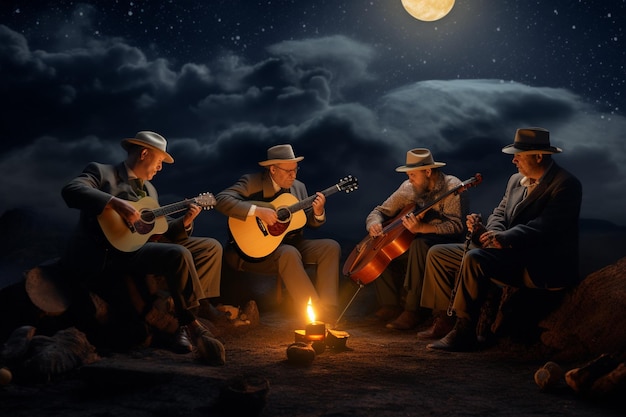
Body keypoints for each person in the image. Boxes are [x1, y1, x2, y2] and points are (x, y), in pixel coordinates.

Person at [60, 131, 226, 365]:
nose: (160, 168)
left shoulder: (150, 191)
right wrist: (115, 203)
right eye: (159, 161)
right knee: (178, 254)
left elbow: (159, 228)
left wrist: (186, 220)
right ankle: (188, 323)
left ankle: (185, 318)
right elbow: (71, 190)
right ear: (144, 153)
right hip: (109, 254)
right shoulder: (102, 172)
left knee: (210, 247)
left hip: (139, 246)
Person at [421, 127, 582, 351]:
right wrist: (486, 233)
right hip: (507, 250)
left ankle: (465, 330)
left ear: (538, 156)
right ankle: (444, 320)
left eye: (519, 155)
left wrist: (504, 238)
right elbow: (499, 213)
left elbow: (546, 226)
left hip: (537, 260)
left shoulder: (565, 184)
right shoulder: (516, 180)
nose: (514, 160)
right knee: (438, 254)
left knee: (475, 259)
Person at [215, 144, 340, 323]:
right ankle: (314, 314)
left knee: (330, 247)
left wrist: (318, 212)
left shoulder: (299, 188)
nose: (293, 175)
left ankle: (329, 311)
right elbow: (221, 200)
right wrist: (257, 211)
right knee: (288, 253)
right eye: (288, 171)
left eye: (296, 170)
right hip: (253, 252)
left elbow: (307, 222)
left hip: (290, 246)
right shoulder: (252, 182)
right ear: (272, 169)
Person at [365, 148, 467, 330]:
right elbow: (379, 211)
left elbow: (456, 226)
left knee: (420, 244)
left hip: (444, 242)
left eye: (413, 174)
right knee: (381, 248)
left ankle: (412, 310)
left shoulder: (453, 186)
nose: (409, 179)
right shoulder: (408, 188)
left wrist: (423, 228)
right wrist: (374, 224)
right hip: (413, 240)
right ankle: (389, 305)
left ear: (428, 172)